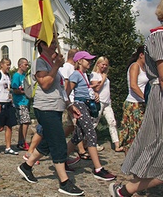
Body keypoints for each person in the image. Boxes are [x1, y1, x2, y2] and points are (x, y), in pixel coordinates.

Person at [109, 0, 163, 197]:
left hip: (148, 100)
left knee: (152, 143)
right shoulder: (158, 39)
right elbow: (135, 85)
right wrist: (144, 99)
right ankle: (130, 185)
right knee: (143, 139)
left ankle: (130, 186)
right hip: (142, 102)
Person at [17, 39, 84, 196]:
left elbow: (60, 88)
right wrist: (55, 66)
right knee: (58, 142)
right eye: (51, 42)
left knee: (48, 141)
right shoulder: (40, 63)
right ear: (42, 45)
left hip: (55, 107)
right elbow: (45, 84)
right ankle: (64, 182)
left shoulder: (53, 64)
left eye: (55, 42)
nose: (55, 45)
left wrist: (69, 105)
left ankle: (26, 166)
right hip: (45, 108)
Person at [66, 51, 116, 181]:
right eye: (87, 60)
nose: (90, 62)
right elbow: (66, 92)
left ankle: (62, 159)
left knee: (78, 136)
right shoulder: (76, 74)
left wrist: (94, 93)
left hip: (85, 105)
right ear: (79, 61)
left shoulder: (84, 75)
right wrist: (70, 106)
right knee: (91, 134)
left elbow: (86, 89)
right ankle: (98, 168)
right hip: (80, 105)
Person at [118, 45, 148, 154]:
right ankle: (129, 160)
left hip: (141, 104)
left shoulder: (145, 68)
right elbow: (134, 85)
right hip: (133, 103)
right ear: (141, 55)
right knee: (132, 133)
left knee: (141, 133)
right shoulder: (135, 66)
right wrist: (146, 98)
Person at [90, 56, 123, 152]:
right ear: (98, 64)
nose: (104, 66)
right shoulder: (94, 74)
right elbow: (96, 89)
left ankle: (116, 145)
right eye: (102, 64)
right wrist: (103, 79)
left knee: (112, 122)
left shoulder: (105, 75)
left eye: (106, 65)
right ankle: (90, 143)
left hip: (107, 102)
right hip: (99, 102)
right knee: (94, 123)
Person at [11, 57, 31, 151]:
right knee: (26, 121)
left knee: (24, 122)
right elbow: (15, 90)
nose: (27, 66)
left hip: (25, 101)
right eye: (25, 64)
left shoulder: (24, 76)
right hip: (20, 102)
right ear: (20, 65)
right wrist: (25, 92)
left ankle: (20, 142)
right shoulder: (16, 76)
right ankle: (23, 141)